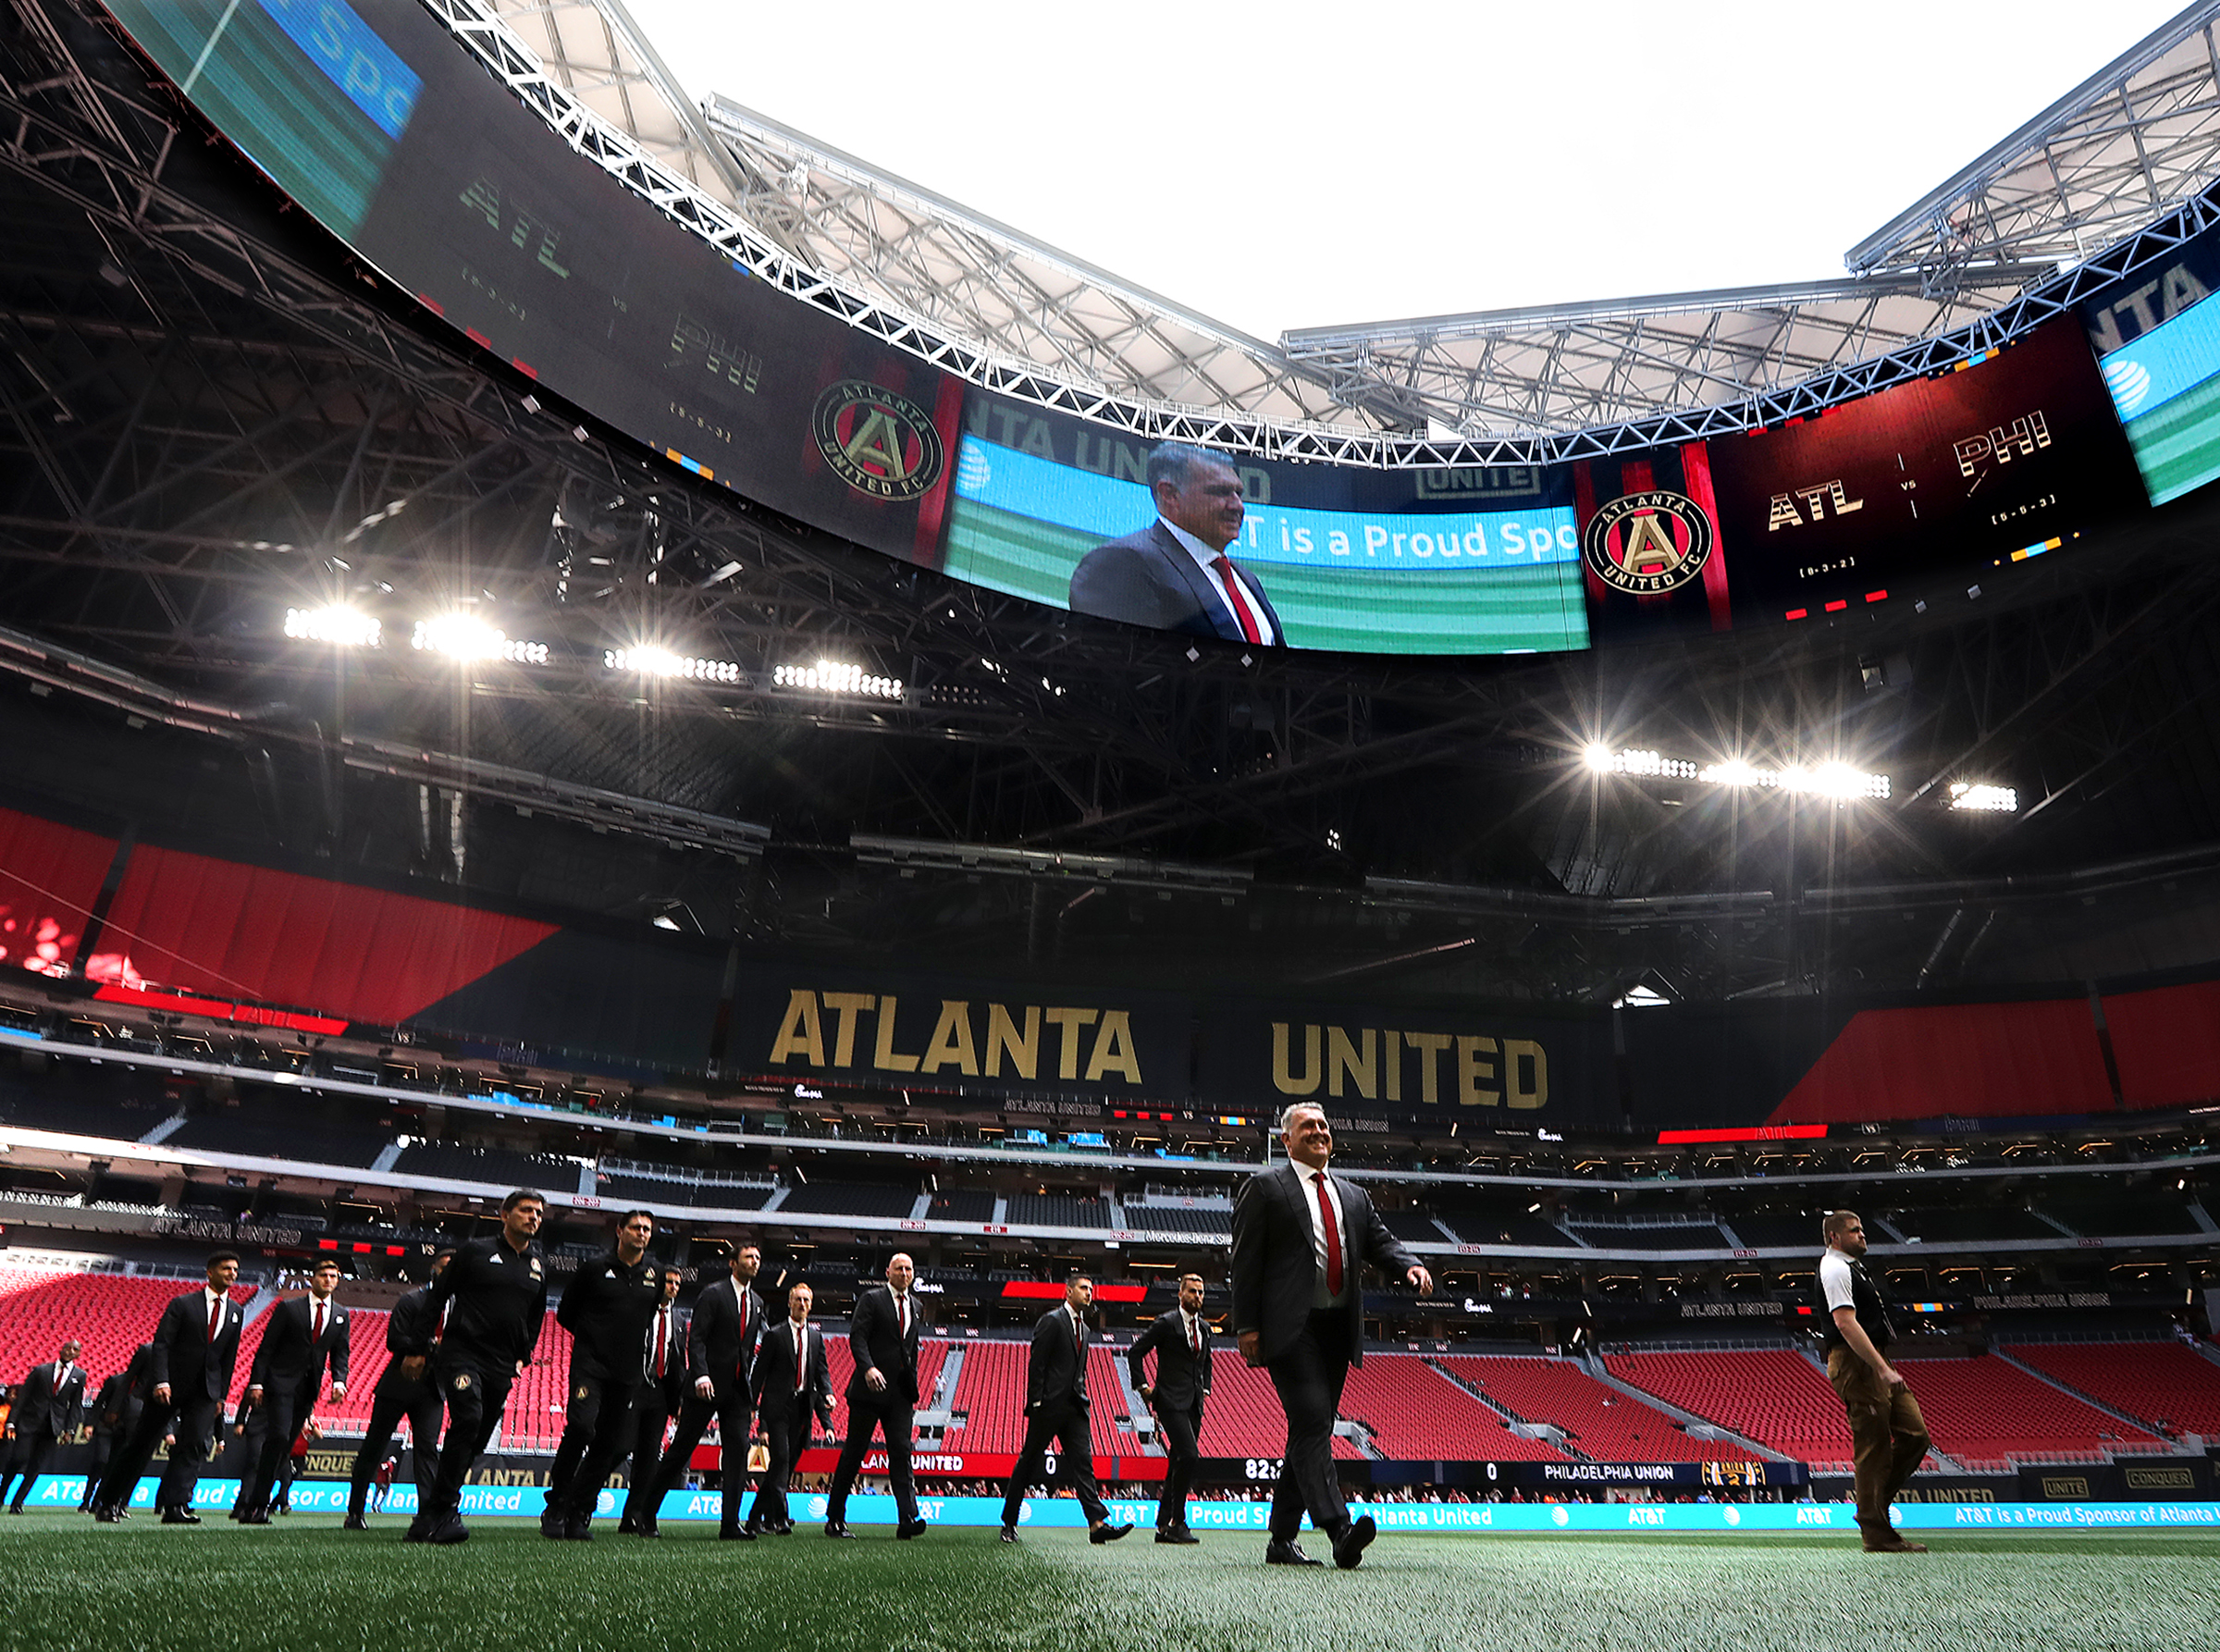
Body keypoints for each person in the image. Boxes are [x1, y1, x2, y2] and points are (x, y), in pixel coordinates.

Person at [1230, 1102, 1431, 1570]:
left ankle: (1281, 1541)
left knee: (1308, 1428)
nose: (1319, 1133)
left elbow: (1380, 1242)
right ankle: (1338, 1528)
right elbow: (1244, 1261)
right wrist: (1247, 1325)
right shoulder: (1265, 1188)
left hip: (1337, 1329)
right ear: (1287, 1139)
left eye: (1323, 1126)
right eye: (1308, 1127)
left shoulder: (1354, 1195)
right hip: (1289, 1328)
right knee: (1314, 1418)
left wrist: (1411, 1266)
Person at [412, 1189, 549, 1545]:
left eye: (538, 1212)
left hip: (503, 1365)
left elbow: (535, 1318)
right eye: (525, 1210)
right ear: (505, 1215)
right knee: (468, 1418)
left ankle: (429, 1513)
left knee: (478, 1435)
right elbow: (438, 1295)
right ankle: (444, 1511)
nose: (533, 1216)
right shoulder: (475, 1251)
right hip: (462, 1353)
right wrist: (417, 1348)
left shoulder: (536, 1265)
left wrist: (525, 1354)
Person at [1068, 442, 1283, 643]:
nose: (1238, 506)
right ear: (1170, 494)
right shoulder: (1122, 563)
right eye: (1221, 492)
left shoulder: (1246, 579)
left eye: (1239, 493)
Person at [92, 1251, 249, 1523]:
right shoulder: (183, 1304)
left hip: (206, 1392)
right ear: (210, 1272)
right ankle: (107, 1501)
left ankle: (176, 1506)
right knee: (141, 1444)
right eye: (226, 1268)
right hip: (170, 1387)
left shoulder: (236, 1312)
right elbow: (162, 1344)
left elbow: (229, 1357)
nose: (232, 1274)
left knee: (193, 1446)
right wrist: (161, 1380)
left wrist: (221, 1396)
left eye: (235, 1270)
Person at [631, 1239, 765, 1540]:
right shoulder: (714, 1294)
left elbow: (748, 1350)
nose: (754, 1261)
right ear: (733, 1263)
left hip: (738, 1392)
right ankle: (646, 1514)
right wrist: (701, 1375)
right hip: (706, 1386)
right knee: (680, 1451)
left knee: (737, 1455)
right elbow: (697, 1339)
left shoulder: (757, 1301)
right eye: (748, 1257)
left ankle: (730, 1524)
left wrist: (750, 1392)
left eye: (757, 1257)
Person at [543, 1209, 662, 1539]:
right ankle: (556, 1502)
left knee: (608, 1444)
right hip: (590, 1366)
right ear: (620, 1231)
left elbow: (646, 1315)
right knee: (581, 1428)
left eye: (647, 1229)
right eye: (636, 1227)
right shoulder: (594, 1268)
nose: (642, 1233)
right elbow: (566, 1313)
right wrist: (594, 1337)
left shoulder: (656, 1273)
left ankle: (581, 1511)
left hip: (627, 1374)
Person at [1819, 1210, 1931, 1553]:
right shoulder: (1836, 1268)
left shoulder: (1852, 1266)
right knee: (1873, 1448)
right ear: (1834, 1238)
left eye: (1862, 1228)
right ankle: (1876, 1532)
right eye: (1855, 1231)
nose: (1863, 1235)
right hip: (1858, 1364)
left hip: (1873, 1360)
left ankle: (1872, 1505)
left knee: (1916, 1435)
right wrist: (1881, 1368)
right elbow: (1845, 1323)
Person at [997, 1273, 1132, 1547]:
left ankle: (1097, 1525)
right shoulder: (1052, 1320)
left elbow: (1077, 1370)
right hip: (1048, 1406)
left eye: (1091, 1289)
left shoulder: (1085, 1328)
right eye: (1083, 1288)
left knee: (1084, 1464)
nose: (1089, 1293)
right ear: (1068, 1291)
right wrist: (1036, 1402)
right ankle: (1009, 1523)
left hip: (1075, 1407)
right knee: (1028, 1464)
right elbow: (1038, 1364)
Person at [236, 1257, 350, 1523]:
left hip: (308, 1390)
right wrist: (257, 1383)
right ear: (313, 1279)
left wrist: (339, 1380)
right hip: (279, 1384)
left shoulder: (341, 1315)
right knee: (277, 1437)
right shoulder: (289, 1309)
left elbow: (340, 1351)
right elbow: (266, 1349)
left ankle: (259, 1503)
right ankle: (258, 1505)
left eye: (333, 1276)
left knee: (284, 1447)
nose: (328, 1280)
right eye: (324, 1275)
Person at [344, 1250, 450, 1530]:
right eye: (443, 1268)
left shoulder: (461, 1308)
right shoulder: (411, 1300)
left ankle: (427, 1514)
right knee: (374, 1447)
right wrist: (432, 1346)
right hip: (397, 1385)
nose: (448, 1274)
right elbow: (395, 1340)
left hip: (433, 1390)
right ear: (433, 1269)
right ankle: (355, 1512)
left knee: (427, 1450)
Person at [824, 1251, 927, 1540]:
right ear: (888, 1272)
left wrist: (912, 1383)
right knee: (854, 1454)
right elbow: (857, 1337)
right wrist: (868, 1368)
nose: (905, 1273)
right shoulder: (872, 1299)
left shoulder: (917, 1305)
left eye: (909, 1268)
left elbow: (910, 1347)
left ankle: (908, 1517)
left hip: (900, 1394)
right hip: (868, 1390)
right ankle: (835, 1519)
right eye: (899, 1268)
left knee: (902, 1453)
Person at [1127, 1272, 1214, 1543]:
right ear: (1180, 1294)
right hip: (1169, 1400)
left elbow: (1206, 1360)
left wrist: (1206, 1388)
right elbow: (1136, 1352)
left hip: (1194, 1402)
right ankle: (1179, 1520)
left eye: (1200, 1292)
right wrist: (1142, 1387)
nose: (1197, 1297)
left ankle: (1163, 1527)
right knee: (1188, 1456)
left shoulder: (1206, 1328)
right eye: (1192, 1292)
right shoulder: (1166, 1323)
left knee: (1176, 1462)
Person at [744, 1279, 832, 1535]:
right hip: (777, 1410)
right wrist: (755, 1412)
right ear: (789, 1303)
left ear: (811, 1305)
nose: (802, 1304)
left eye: (807, 1300)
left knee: (784, 1467)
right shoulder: (775, 1335)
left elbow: (821, 1372)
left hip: (802, 1410)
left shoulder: (816, 1338)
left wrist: (827, 1393)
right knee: (780, 1460)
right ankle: (781, 1518)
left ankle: (755, 1519)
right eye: (798, 1299)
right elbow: (759, 1375)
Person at [618, 1264, 687, 1535]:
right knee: (620, 1448)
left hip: (659, 1393)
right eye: (669, 1282)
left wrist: (678, 1400)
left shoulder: (679, 1321)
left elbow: (678, 1364)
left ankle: (633, 1516)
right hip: (633, 1387)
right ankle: (581, 1505)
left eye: (677, 1284)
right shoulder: (640, 1310)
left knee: (649, 1459)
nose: (673, 1287)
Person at [0, 1339, 85, 1511]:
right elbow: (22, 1398)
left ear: (78, 1354)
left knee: (36, 1466)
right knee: (18, 1460)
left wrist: (69, 1429)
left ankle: (18, 1503)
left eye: (74, 1349)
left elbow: (75, 1405)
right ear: (60, 1350)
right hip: (30, 1422)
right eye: (67, 1348)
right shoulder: (41, 1371)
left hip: (53, 1426)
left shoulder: (80, 1376)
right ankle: (1, 1496)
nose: (70, 1351)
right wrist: (11, 1422)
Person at [80, 1344, 148, 1513]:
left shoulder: (146, 1387)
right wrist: (90, 1424)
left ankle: (99, 1502)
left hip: (128, 1432)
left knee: (114, 1468)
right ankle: (86, 1499)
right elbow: (99, 1403)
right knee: (101, 1462)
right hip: (107, 1429)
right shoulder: (116, 1381)